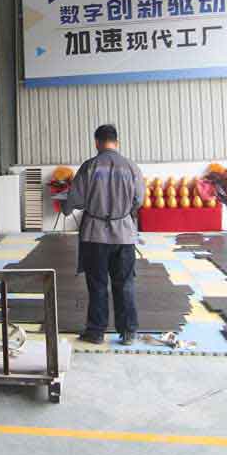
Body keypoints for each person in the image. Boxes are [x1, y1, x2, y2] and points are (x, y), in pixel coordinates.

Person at [63, 124, 145, 345]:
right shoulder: (131, 167)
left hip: (94, 236)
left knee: (97, 285)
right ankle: (128, 332)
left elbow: (75, 199)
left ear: (97, 143)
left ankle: (96, 332)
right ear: (116, 142)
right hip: (124, 236)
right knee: (125, 283)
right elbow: (139, 199)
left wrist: (67, 208)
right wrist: (123, 212)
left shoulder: (89, 167)